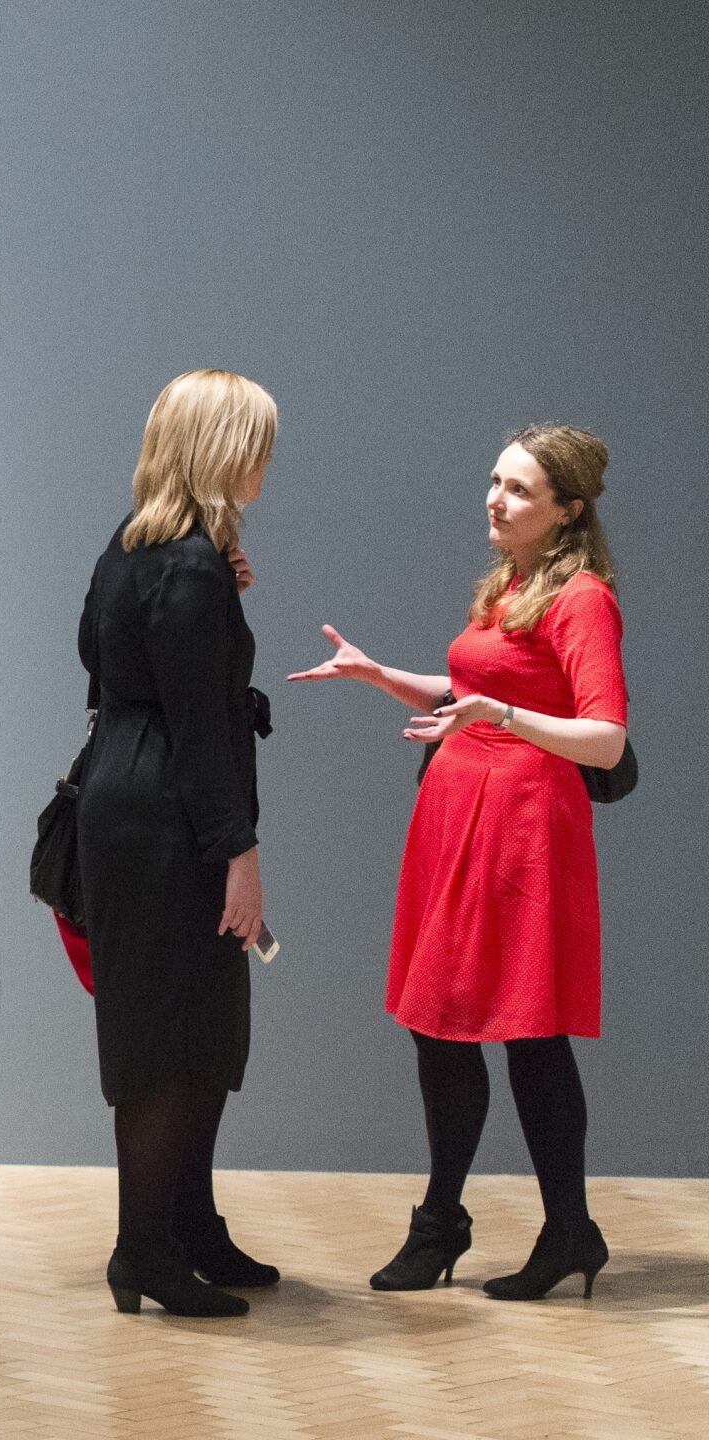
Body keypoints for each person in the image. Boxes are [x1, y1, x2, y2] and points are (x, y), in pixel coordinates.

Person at [289, 425, 627, 1302]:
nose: (495, 498)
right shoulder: (510, 582)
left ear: (568, 510)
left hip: (522, 825)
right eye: (495, 480)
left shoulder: (582, 598)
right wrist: (377, 674)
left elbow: (603, 737)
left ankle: (550, 1229)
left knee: (529, 1027)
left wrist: (502, 719)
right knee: (439, 1019)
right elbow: (472, 694)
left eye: (519, 489)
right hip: (458, 812)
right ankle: (463, 1222)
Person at [75, 370, 278, 1319]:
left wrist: (217, 595)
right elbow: (198, 726)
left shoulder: (134, 546)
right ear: (222, 449)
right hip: (170, 815)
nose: (268, 460)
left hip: (126, 797)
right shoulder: (190, 564)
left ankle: (187, 1226)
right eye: (258, 442)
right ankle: (145, 1251)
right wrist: (240, 853)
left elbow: (99, 657)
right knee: (169, 1039)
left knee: (195, 1029)